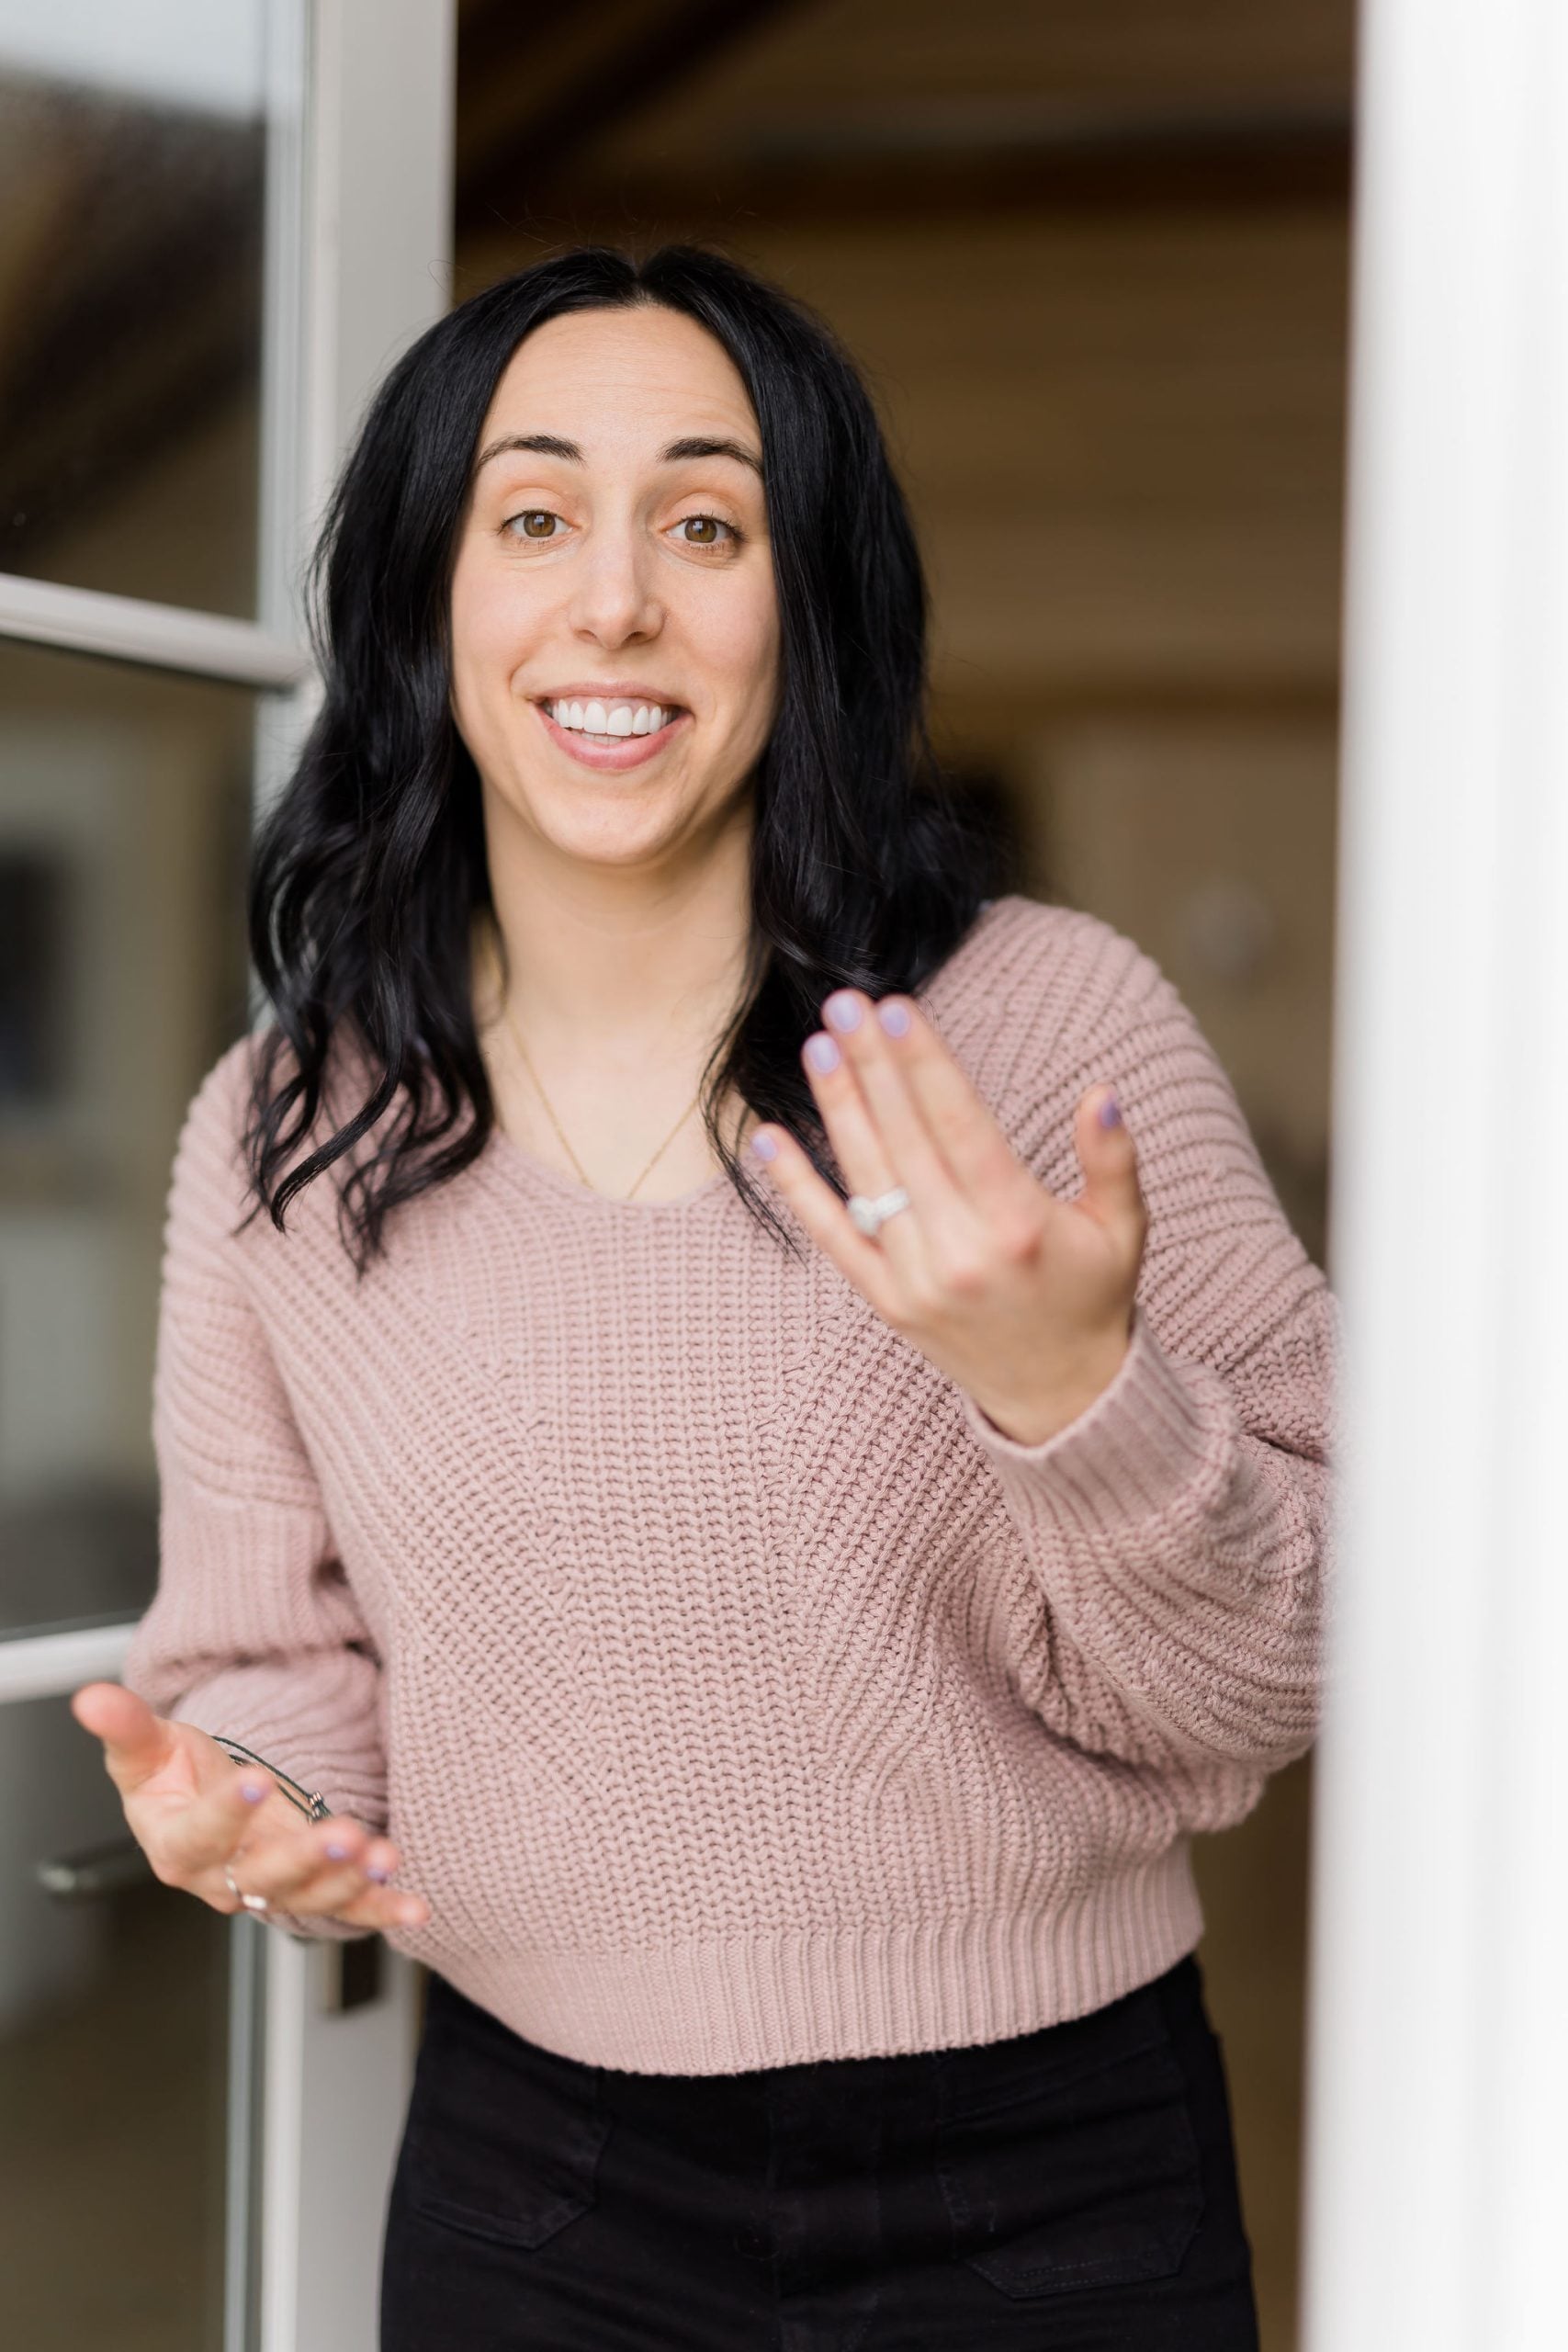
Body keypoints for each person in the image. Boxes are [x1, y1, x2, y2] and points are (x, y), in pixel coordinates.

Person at [71, 244, 1337, 2350]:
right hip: (534, 2188)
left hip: (1049, 2175)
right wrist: (256, 1797)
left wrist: (1072, 1397)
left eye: (707, 522)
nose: (615, 603)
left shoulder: (1036, 1032)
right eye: (535, 513)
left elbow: (1282, 1674)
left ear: (803, 604)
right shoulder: (285, 1128)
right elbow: (272, 1653)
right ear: (425, 598)